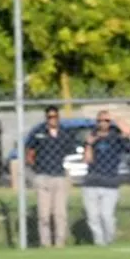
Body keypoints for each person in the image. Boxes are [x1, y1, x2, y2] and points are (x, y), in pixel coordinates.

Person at [26, 105, 77, 248]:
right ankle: (45, 243)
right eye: (49, 117)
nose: (52, 120)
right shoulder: (38, 132)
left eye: (55, 117)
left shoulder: (64, 133)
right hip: (43, 175)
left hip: (59, 175)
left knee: (59, 213)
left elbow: (71, 150)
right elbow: (29, 152)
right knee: (44, 214)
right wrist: (35, 168)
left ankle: (60, 242)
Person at [82, 110, 130, 246]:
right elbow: (87, 160)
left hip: (110, 182)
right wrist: (89, 144)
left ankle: (109, 240)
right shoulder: (92, 136)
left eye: (106, 121)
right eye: (100, 121)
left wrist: (116, 119)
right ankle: (99, 242)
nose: (103, 123)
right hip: (92, 182)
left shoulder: (116, 137)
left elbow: (128, 132)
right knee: (93, 217)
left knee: (106, 216)